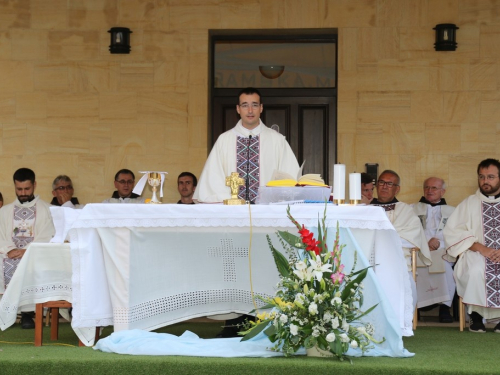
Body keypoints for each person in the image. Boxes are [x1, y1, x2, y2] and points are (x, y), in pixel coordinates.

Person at [194, 87, 300, 203]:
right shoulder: (224, 140)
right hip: (233, 214)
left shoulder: (277, 140)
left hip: (266, 212)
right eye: (245, 105)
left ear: (261, 108)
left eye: (254, 105)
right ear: (238, 109)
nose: (250, 110)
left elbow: (290, 178)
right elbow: (213, 179)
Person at [444, 158, 500, 333]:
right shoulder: (469, 203)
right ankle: (476, 317)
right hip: (476, 252)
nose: (485, 181)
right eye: (482, 177)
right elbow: (453, 231)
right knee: (476, 270)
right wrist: (482, 249)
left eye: (490, 177)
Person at [0, 168, 55, 329]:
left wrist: (27, 250)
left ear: (34, 185)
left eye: (27, 189)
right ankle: (5, 310)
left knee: (35, 265)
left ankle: (27, 314)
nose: (23, 192)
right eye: (19, 189)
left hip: (35, 254)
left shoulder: (47, 210)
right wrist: (9, 249)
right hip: (8, 255)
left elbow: (49, 235)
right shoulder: (4, 212)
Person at [371, 170, 431, 311]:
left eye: (389, 183)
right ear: (377, 186)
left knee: (406, 288)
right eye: (381, 182)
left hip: (396, 260)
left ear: (397, 189)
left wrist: (381, 242)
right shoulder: (366, 209)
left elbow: (411, 238)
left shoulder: (406, 211)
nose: (384, 186)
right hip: (368, 259)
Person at [412, 177, 455, 323]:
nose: (429, 191)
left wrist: (439, 242)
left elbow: (457, 233)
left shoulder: (453, 211)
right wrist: (424, 243)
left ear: (442, 191)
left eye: (434, 188)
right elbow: (408, 231)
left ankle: (444, 308)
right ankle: (415, 307)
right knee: (414, 270)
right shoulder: (412, 209)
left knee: (447, 270)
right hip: (418, 250)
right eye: (427, 187)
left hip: (442, 250)